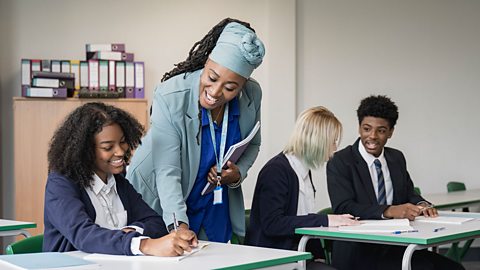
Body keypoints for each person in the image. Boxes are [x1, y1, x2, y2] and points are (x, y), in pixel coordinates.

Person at [126, 18, 266, 243]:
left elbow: (254, 144)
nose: (215, 91)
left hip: (212, 201)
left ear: (242, 85)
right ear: (206, 62)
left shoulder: (252, 95)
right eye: (211, 77)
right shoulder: (171, 95)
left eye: (230, 87)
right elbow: (167, 171)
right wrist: (178, 226)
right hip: (160, 196)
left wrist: (237, 172)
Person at [326, 95, 464, 270]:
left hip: (398, 245)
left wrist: (422, 205)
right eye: (366, 129)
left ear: (391, 132)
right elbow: (343, 207)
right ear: (359, 128)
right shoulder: (341, 161)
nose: (372, 136)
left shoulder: (396, 158)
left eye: (381, 130)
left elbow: (409, 194)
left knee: (454, 268)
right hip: (360, 251)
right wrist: (389, 210)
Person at [44, 102, 198, 256]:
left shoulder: (118, 181)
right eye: (108, 147)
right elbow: (83, 235)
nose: (120, 151)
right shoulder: (61, 184)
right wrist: (144, 244)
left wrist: (131, 231)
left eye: (122, 141)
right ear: (85, 150)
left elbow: (155, 222)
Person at [245, 106, 358, 270]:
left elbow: (303, 220)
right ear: (317, 140)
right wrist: (326, 220)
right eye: (332, 141)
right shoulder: (276, 171)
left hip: (296, 254)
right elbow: (273, 224)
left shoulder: (303, 170)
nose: (335, 148)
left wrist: (318, 256)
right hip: (273, 258)